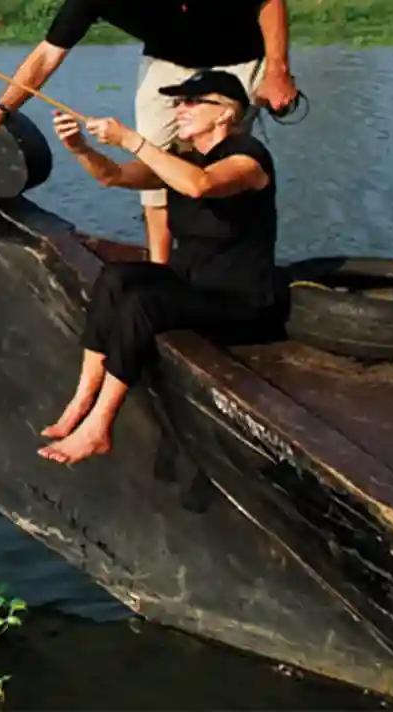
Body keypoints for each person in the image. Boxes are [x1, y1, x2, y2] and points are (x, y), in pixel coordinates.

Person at [0, 0, 299, 264]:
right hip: (169, 58)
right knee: (152, 152)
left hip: (238, 57)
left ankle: (229, 263)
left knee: (219, 160)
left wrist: (278, 70)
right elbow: (46, 56)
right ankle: (161, 265)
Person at [36, 68, 286, 465]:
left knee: (143, 304)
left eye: (191, 102)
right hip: (192, 285)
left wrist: (132, 140)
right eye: (177, 101)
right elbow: (113, 176)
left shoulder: (248, 158)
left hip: (242, 303)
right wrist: (80, 148)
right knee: (116, 277)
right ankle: (81, 400)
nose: (179, 109)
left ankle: (99, 427)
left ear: (224, 113)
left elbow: (199, 185)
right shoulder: (181, 159)